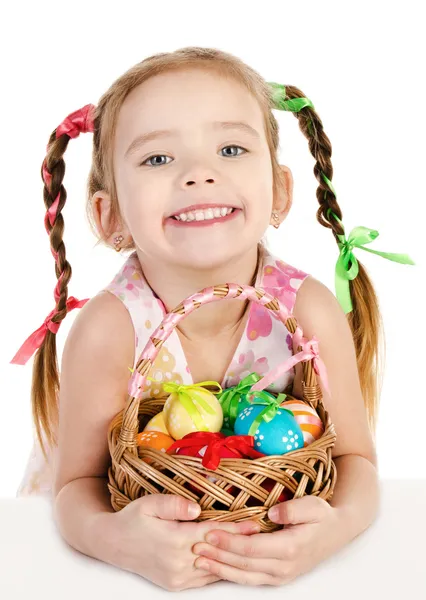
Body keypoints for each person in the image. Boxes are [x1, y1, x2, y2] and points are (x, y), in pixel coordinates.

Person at [10, 46, 414, 590]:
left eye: (230, 148)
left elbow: (356, 461)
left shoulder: (304, 309)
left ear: (281, 191)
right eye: (158, 159)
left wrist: (333, 530)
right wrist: (117, 543)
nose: (200, 175)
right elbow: (75, 488)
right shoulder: (111, 330)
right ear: (111, 218)